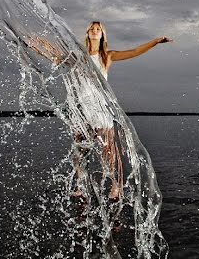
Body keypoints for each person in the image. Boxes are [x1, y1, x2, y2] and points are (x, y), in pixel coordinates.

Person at [27, 21, 171, 199]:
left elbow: (134, 52)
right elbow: (55, 55)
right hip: (82, 110)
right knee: (79, 151)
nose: (95, 31)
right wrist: (35, 44)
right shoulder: (77, 56)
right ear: (87, 33)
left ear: (102, 34)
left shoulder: (107, 56)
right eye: (92, 29)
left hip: (100, 110)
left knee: (109, 152)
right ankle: (81, 187)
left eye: (99, 29)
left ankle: (116, 187)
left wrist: (155, 42)